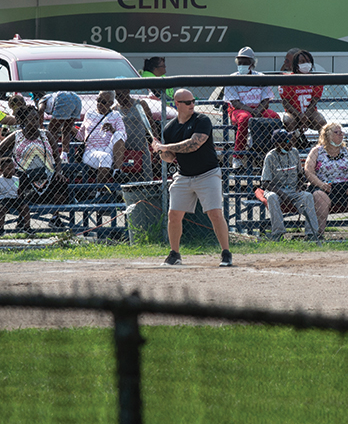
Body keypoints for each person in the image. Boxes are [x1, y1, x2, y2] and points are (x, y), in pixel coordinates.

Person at [152, 87, 233, 267]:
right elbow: (170, 158)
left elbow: (193, 144)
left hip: (208, 173)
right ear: (177, 104)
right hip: (184, 175)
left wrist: (166, 146)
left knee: (214, 213)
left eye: (193, 101)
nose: (192, 105)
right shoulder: (169, 128)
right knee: (173, 215)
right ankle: (175, 254)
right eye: (188, 102)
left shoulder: (201, 120)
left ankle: (226, 253)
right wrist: (159, 150)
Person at [304, 122, 348, 239]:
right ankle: (319, 235)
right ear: (327, 135)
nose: (341, 135)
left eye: (342, 132)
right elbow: (308, 171)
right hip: (325, 188)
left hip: (346, 189)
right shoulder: (317, 151)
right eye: (337, 132)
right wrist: (321, 184)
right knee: (319, 196)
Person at [258, 129, 320, 241]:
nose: (290, 142)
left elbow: (300, 174)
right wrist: (282, 194)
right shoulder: (270, 156)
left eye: (290, 139)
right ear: (278, 144)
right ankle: (278, 233)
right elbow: (265, 182)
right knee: (272, 197)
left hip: (293, 190)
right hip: (277, 190)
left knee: (308, 196)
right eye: (287, 141)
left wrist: (301, 185)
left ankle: (312, 234)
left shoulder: (294, 152)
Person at [224, 46, 279, 166]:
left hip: (258, 109)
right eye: (240, 62)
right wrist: (252, 111)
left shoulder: (260, 77)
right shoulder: (232, 78)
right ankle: (238, 156)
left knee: (274, 117)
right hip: (239, 111)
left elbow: (266, 100)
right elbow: (235, 103)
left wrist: (258, 110)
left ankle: (273, 152)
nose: (242, 64)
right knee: (245, 118)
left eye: (245, 62)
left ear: (251, 63)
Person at [278, 48, 326, 146]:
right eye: (302, 62)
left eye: (308, 61)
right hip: (293, 112)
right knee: (289, 121)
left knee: (322, 122)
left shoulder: (315, 79)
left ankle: (322, 149)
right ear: (296, 64)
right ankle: (291, 149)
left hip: (310, 112)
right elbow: (285, 102)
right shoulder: (288, 79)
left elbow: (314, 100)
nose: (306, 64)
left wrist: (306, 115)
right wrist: (299, 115)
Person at [77, 90, 126, 181]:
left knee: (119, 133)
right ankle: (100, 192)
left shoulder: (115, 115)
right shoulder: (89, 114)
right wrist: (68, 127)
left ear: (110, 103)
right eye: (98, 100)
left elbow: (123, 136)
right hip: (91, 151)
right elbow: (81, 136)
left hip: (109, 149)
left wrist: (112, 130)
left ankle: (117, 171)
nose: (99, 104)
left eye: (103, 102)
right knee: (105, 157)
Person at [114, 87, 155, 180]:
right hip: (124, 149)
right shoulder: (115, 108)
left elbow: (152, 124)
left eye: (120, 95)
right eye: (116, 96)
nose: (118, 99)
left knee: (145, 176)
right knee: (126, 176)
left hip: (141, 147)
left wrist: (155, 141)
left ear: (127, 91)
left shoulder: (140, 104)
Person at [40, 91, 82, 163]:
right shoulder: (51, 96)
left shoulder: (42, 100)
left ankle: (53, 153)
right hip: (77, 99)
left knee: (52, 129)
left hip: (63, 99)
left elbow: (41, 110)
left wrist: (40, 125)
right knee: (66, 130)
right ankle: (64, 155)